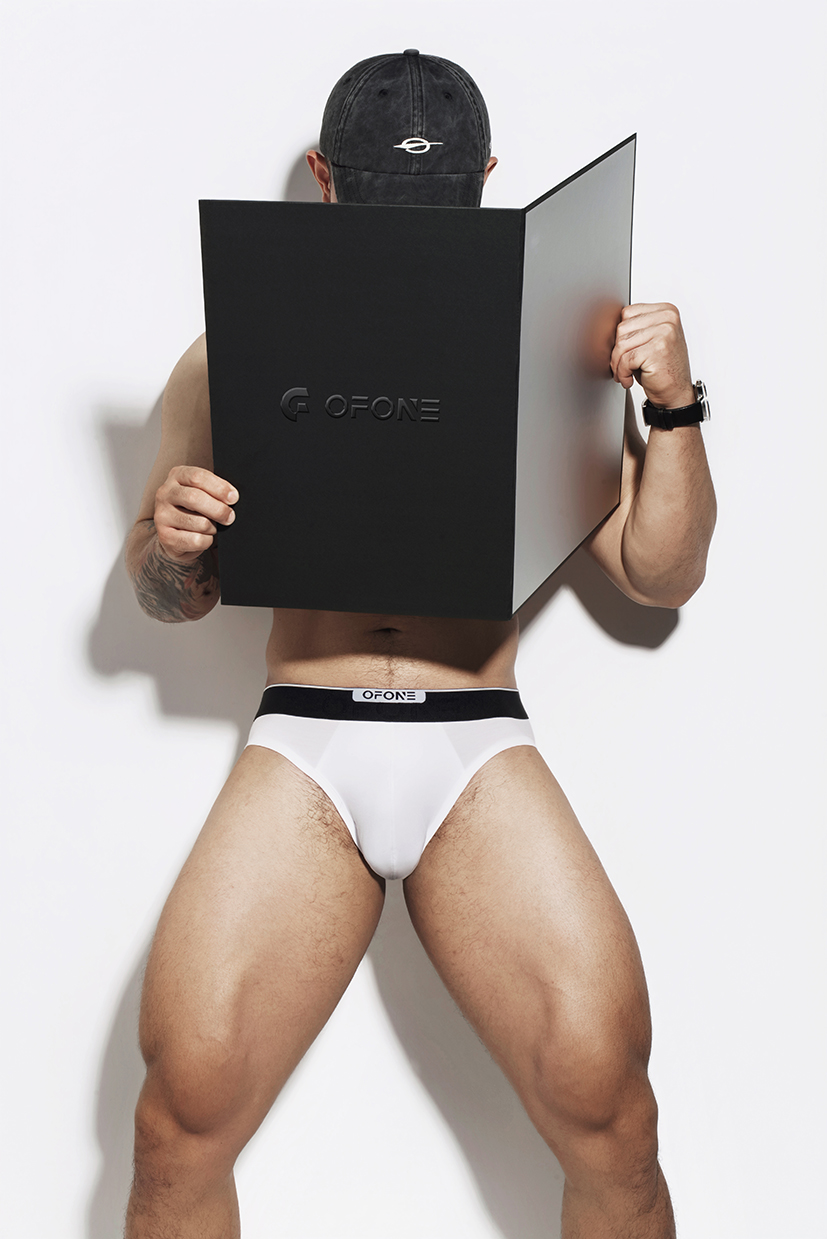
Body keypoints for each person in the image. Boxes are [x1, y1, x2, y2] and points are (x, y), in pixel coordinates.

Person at [123, 49, 716, 1239]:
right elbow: (160, 591)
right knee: (181, 1117)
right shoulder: (229, 348)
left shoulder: (549, 346)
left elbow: (659, 575)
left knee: (609, 1112)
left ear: (485, 181)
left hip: (472, 739)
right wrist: (172, 543)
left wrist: (671, 406)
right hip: (307, 740)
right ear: (323, 179)